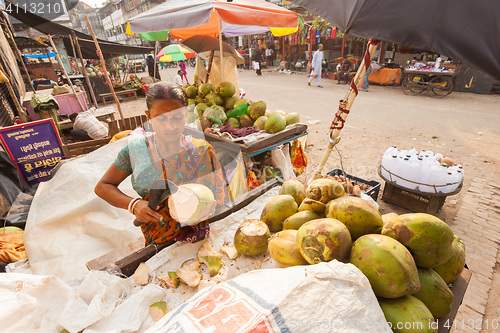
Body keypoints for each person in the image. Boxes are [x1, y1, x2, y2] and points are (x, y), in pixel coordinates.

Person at [95, 82, 228, 246]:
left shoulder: (201, 151)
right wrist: (134, 205)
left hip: (199, 239)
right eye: (161, 118)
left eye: (178, 117)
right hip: (157, 242)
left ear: (186, 113)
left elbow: (219, 197)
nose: (170, 126)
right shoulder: (135, 151)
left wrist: (207, 209)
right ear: (148, 116)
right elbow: (103, 186)